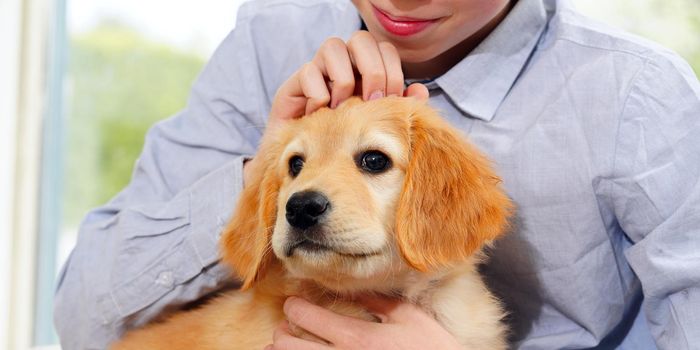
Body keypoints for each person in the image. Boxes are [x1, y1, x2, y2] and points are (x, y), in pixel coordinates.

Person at [54, 0, 700, 348]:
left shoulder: (635, 94)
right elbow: (85, 322)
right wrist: (269, 162)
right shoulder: (268, 36)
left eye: (372, 162)